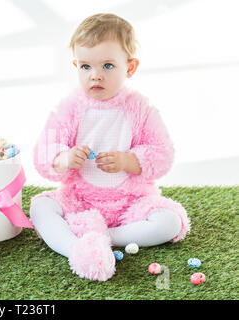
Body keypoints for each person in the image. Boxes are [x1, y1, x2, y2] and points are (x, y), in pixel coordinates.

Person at [29, 13, 190, 281]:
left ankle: (102, 238)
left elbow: (163, 154)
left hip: (131, 203)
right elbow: (44, 151)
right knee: (40, 208)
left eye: (107, 66)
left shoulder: (140, 109)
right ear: (75, 65)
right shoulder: (69, 108)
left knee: (170, 222)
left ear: (130, 67)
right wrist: (64, 158)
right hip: (80, 201)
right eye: (86, 67)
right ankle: (76, 249)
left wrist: (129, 161)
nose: (95, 76)